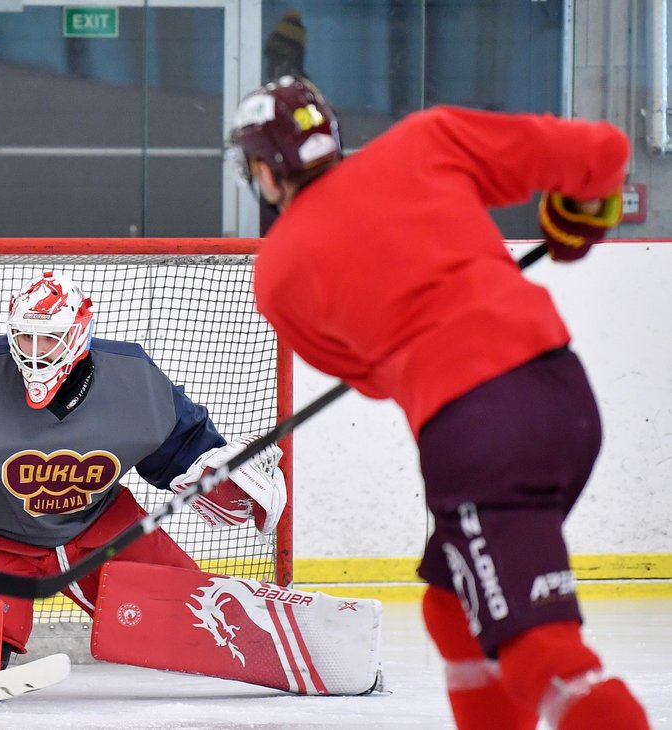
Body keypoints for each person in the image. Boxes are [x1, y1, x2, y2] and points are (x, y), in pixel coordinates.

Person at [226, 75, 649, 729]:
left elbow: (371, 378)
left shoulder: (278, 274)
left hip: (479, 436)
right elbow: (604, 150)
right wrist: (584, 212)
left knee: (543, 650)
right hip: (566, 399)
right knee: (453, 607)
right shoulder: (425, 142)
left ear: (264, 170)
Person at [0, 271, 286, 669]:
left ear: (78, 335)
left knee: (200, 618)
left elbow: (183, 446)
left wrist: (214, 468)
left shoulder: (133, 380)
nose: (34, 352)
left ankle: (283, 647)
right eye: (25, 337)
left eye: (48, 338)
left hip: (100, 532)